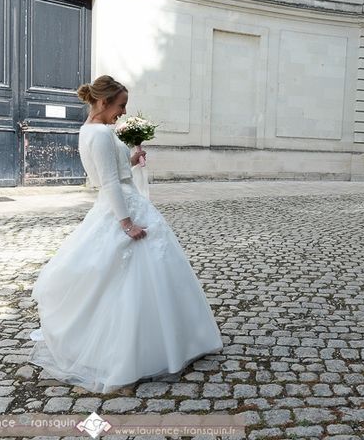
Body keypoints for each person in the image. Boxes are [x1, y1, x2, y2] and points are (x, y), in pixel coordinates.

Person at [29, 75, 223, 393]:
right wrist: (126, 224)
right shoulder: (102, 135)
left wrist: (131, 160)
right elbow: (108, 184)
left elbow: (112, 172)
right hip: (121, 208)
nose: (122, 112)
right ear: (103, 103)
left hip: (117, 204)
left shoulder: (92, 130)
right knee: (133, 277)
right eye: (120, 106)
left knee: (125, 277)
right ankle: (143, 348)